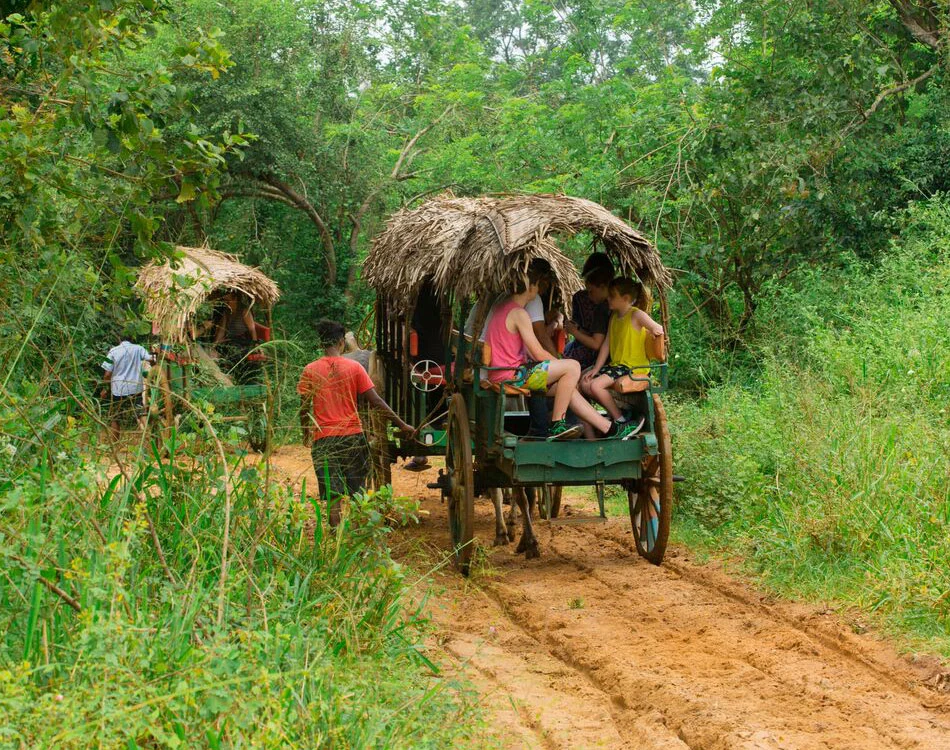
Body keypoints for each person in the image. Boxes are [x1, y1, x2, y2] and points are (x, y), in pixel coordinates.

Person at [484, 260, 638, 441]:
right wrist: (561, 365)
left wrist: (559, 371)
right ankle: (557, 423)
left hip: (508, 373)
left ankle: (610, 428)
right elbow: (538, 354)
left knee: (568, 388)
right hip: (513, 376)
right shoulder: (519, 313)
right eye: (537, 284)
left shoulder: (503, 306)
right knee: (573, 367)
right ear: (531, 286)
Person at [298, 319, 414, 527]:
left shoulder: (310, 370)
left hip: (324, 441)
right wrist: (401, 424)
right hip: (353, 438)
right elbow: (376, 401)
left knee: (333, 497)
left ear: (321, 343)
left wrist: (306, 433)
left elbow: (304, 408)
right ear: (342, 342)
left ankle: (336, 544)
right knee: (358, 493)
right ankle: (359, 537)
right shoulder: (354, 368)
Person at [581, 277, 665, 433]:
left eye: (612, 296)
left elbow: (657, 327)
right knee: (585, 384)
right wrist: (596, 369)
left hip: (631, 367)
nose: (608, 298)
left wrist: (655, 331)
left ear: (625, 299)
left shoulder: (636, 315)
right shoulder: (614, 317)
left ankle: (621, 421)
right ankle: (618, 413)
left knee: (595, 385)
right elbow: (606, 344)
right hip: (617, 366)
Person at [564, 253, 614, 371]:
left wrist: (574, 332)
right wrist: (578, 330)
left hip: (597, 355)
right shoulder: (611, 305)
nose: (589, 297)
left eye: (591, 291)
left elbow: (596, 344)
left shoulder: (602, 308)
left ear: (603, 286)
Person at [101, 334, 155, 440]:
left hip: (118, 390)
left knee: (115, 418)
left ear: (120, 339)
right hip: (135, 388)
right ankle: (150, 437)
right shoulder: (139, 348)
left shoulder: (113, 351)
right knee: (141, 413)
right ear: (132, 339)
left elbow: (107, 375)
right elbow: (151, 359)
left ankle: (115, 444)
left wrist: (105, 388)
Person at [213, 291, 259, 382]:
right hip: (231, 340)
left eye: (228, 300)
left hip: (244, 342)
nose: (227, 303)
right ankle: (222, 376)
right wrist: (215, 344)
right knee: (219, 349)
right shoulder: (227, 312)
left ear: (235, 299)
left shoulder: (244, 310)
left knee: (233, 351)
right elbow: (222, 330)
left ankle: (233, 375)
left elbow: (252, 330)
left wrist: (255, 344)